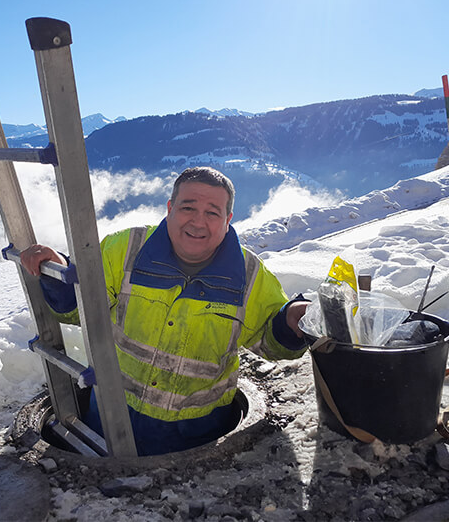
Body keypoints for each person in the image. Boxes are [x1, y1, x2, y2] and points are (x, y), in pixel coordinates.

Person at [20, 167, 310, 455]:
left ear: (227, 220)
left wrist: (291, 321)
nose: (198, 222)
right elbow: (78, 308)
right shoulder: (126, 249)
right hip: (109, 420)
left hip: (198, 438)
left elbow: (270, 341)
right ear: (170, 208)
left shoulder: (249, 276)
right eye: (188, 207)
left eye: (212, 212)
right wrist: (57, 271)